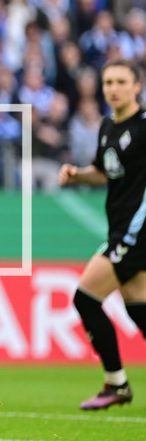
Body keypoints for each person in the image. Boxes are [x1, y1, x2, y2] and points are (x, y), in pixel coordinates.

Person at [58, 59, 146, 410]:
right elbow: (103, 171)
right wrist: (78, 175)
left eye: (121, 81)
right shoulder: (108, 126)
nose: (113, 88)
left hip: (135, 232)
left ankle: (116, 383)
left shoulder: (143, 127)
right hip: (120, 227)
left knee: (85, 298)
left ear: (137, 86)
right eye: (108, 81)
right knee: (139, 310)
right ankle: (117, 384)